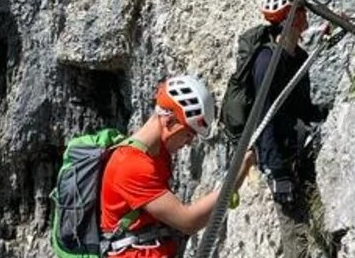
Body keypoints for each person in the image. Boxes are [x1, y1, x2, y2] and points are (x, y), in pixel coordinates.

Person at [100, 74, 256, 257]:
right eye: (189, 133)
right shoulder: (132, 165)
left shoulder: (158, 154)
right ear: (169, 121)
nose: (189, 142)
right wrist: (237, 174)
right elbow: (188, 221)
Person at [252, 0, 331, 258]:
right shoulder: (266, 61)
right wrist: (276, 172)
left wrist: (327, 113)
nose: (306, 14)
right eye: (300, 10)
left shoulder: (297, 56)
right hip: (281, 161)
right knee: (295, 234)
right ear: (289, 17)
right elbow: (263, 118)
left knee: (312, 226)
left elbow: (301, 108)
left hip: (298, 152)